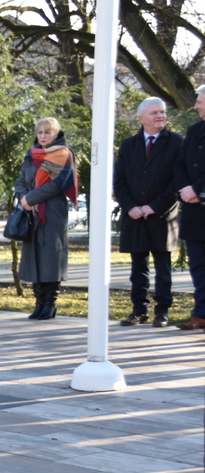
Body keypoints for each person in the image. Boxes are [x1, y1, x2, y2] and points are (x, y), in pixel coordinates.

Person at [114, 97, 181, 328]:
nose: (160, 116)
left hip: (162, 216)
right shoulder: (128, 145)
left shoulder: (176, 143)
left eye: (162, 112)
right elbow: (119, 181)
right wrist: (131, 206)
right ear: (141, 118)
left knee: (163, 269)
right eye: (154, 113)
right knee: (138, 269)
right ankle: (138, 310)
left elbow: (176, 182)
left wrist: (153, 207)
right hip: (134, 216)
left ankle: (162, 311)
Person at [14, 117, 79, 320]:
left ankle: (50, 304)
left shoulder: (63, 154)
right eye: (40, 132)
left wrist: (31, 198)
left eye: (47, 132)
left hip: (52, 212)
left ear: (56, 134)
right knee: (35, 258)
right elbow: (21, 180)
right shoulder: (31, 155)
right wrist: (24, 198)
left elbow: (59, 184)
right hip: (30, 212)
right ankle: (39, 302)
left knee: (51, 258)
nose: (43, 136)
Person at [174, 85, 205, 330]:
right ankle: (201, 313)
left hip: (199, 198)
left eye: (200, 102)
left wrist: (197, 189)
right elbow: (180, 165)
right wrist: (186, 189)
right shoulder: (194, 131)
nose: (195, 106)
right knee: (198, 265)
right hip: (195, 213)